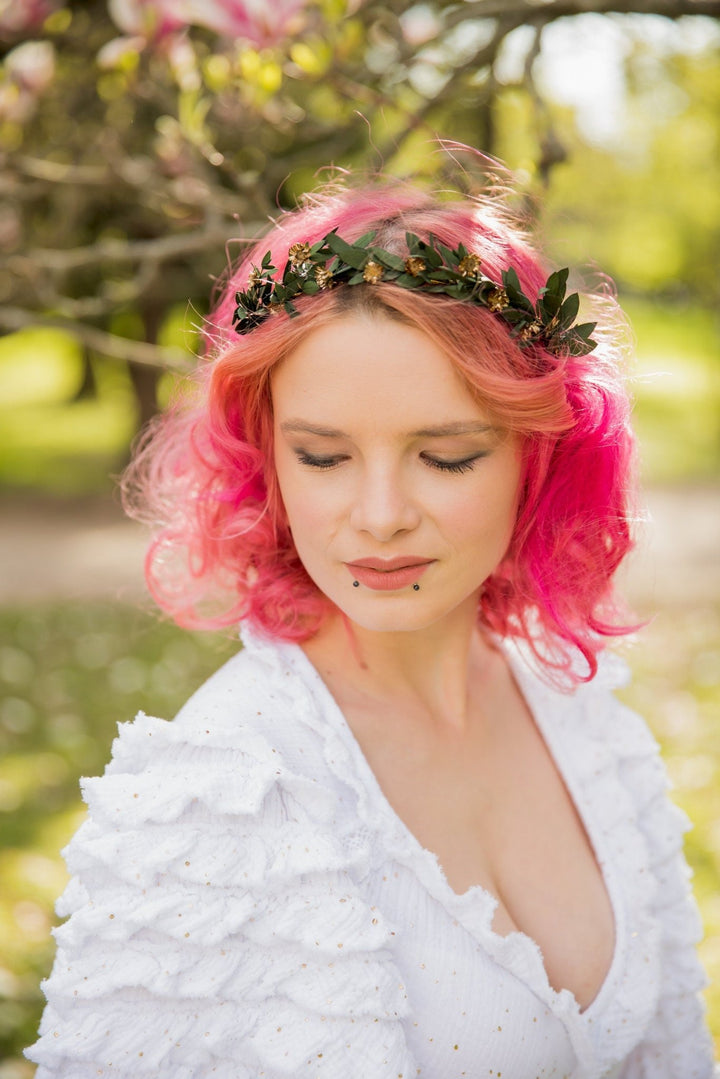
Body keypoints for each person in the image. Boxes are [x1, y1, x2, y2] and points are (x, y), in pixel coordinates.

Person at [27, 174, 716, 1079]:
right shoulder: (221, 791)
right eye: (323, 455)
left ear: (536, 455)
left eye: (445, 455)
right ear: (265, 456)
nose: (380, 514)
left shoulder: (576, 708)